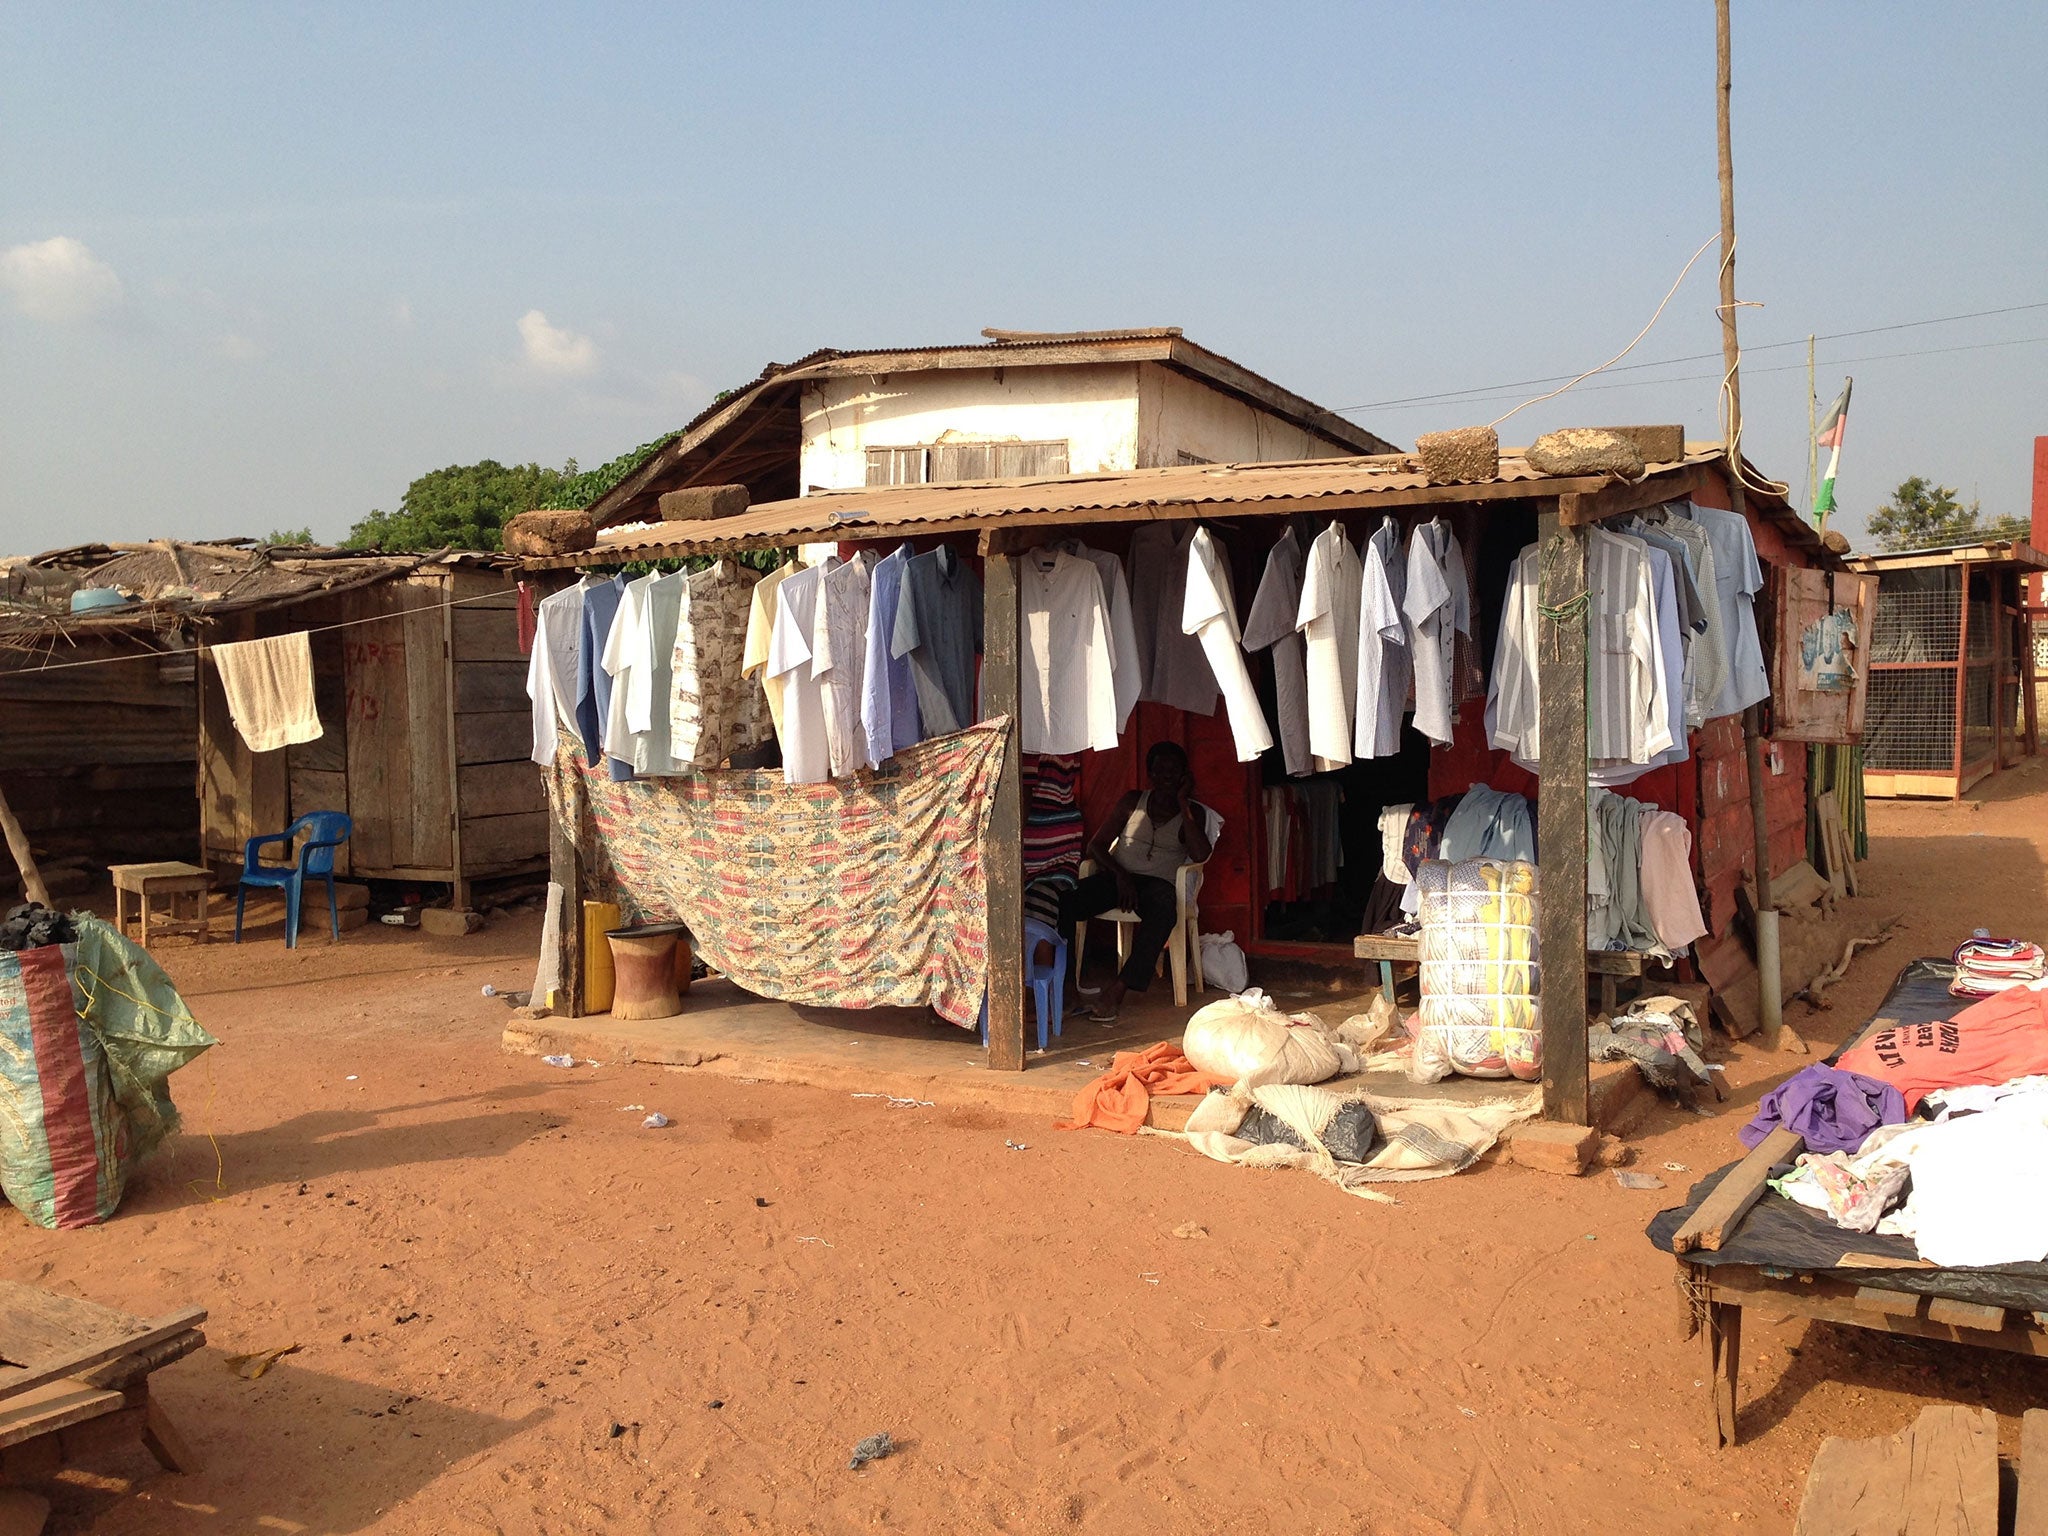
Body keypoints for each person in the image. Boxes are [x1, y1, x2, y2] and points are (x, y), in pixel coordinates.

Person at [1058, 741, 1213, 1021]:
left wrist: (1182, 803)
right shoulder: (1132, 801)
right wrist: (1121, 876)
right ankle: (1068, 985)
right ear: (1150, 774)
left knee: (1165, 912)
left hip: (1157, 887)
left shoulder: (1193, 813)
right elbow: (1096, 846)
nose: (1166, 777)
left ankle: (1118, 989)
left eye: (1173, 771)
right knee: (1065, 901)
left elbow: (1201, 853)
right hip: (1119, 878)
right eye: (1159, 770)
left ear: (1183, 775)